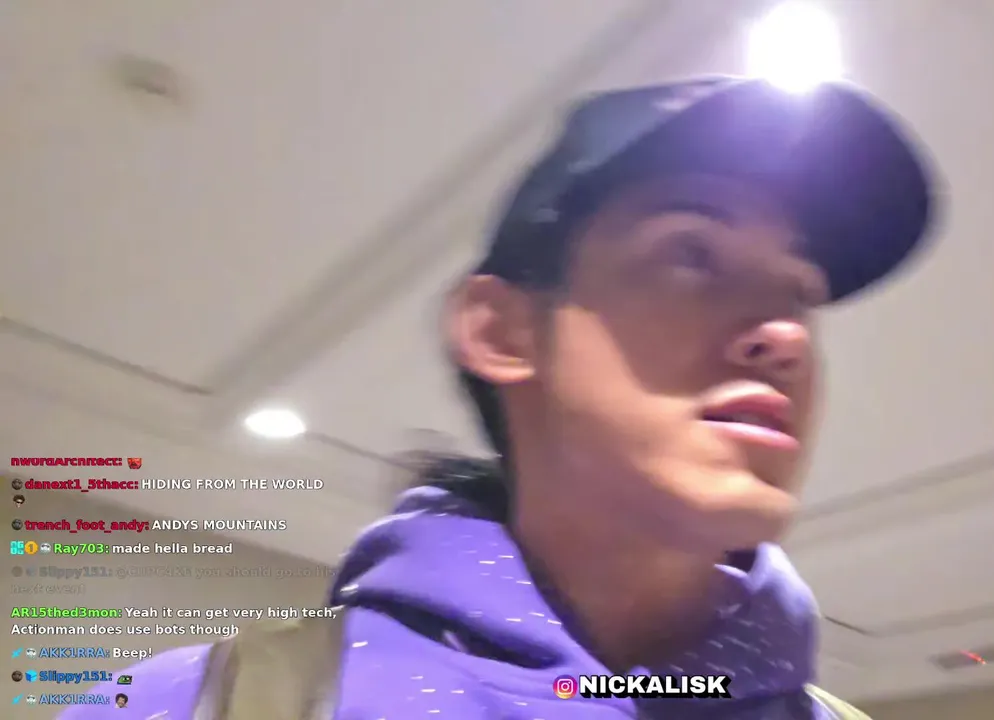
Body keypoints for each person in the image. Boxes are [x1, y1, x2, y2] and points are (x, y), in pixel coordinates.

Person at [63, 76, 936, 719]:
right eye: (692, 254)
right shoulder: (195, 704)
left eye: (801, 294)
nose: (784, 335)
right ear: (502, 331)